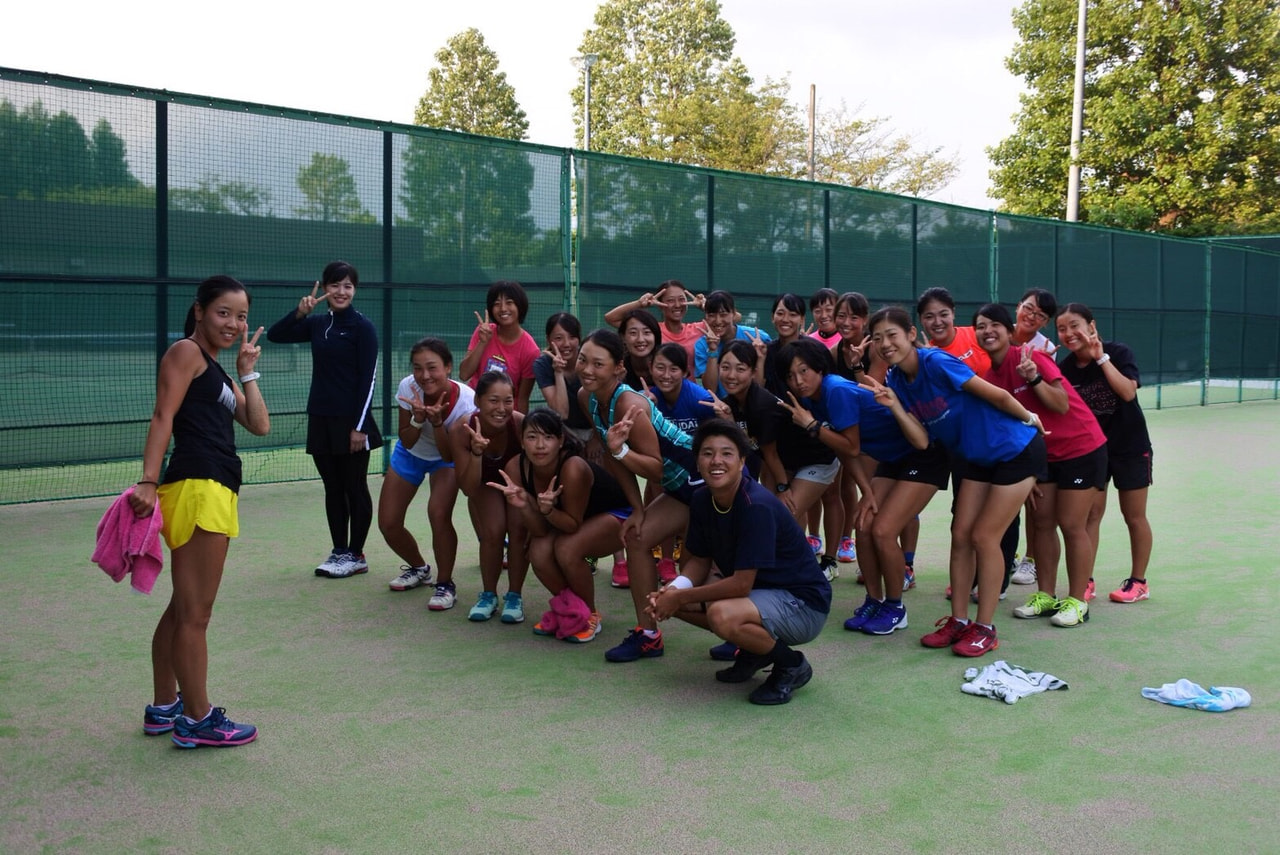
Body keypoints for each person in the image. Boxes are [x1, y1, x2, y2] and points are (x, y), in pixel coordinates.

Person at [133, 275, 270, 748]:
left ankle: (163, 707)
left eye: (241, 315)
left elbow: (259, 425)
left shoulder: (215, 372)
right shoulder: (186, 353)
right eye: (223, 313)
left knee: (181, 609)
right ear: (199, 311)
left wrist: (247, 372)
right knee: (196, 615)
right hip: (198, 487)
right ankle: (196, 718)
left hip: (214, 488)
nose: (233, 323)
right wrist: (149, 481)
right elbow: (162, 416)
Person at [872, 307, 1047, 657]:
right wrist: (893, 406)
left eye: (892, 334)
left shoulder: (935, 362)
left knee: (985, 537)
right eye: (878, 338)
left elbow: (993, 394)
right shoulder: (894, 381)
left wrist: (1031, 418)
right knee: (961, 534)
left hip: (1014, 448)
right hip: (973, 457)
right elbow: (921, 441)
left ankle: (986, 628)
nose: (885, 343)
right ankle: (960, 622)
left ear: (910, 334)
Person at [645, 420, 831, 706]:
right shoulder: (702, 499)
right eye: (707, 453)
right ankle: (756, 649)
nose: (716, 460)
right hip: (761, 595)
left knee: (722, 614)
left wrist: (681, 597)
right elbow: (700, 562)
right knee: (671, 602)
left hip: (804, 605)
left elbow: (741, 583)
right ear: (697, 460)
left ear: (743, 461)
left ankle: (792, 664)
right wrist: (672, 592)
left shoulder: (755, 505)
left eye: (727, 453)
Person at [974, 304, 1107, 628]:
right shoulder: (990, 378)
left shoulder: (1033, 359)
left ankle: (1077, 601)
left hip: (1081, 447)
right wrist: (1025, 470)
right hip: (1041, 457)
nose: (987, 331)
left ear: (1009, 332)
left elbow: (1060, 404)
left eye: (994, 325)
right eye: (980, 326)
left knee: (1071, 523)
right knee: (1042, 523)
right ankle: (1045, 595)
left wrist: (1032, 379)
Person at [577, 328, 702, 663]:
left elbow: (656, 469)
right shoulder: (586, 397)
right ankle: (648, 636)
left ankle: (748, 637)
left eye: (598, 364)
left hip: (705, 483)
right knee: (637, 537)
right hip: (680, 488)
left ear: (619, 368)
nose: (587, 369)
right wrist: (636, 509)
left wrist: (619, 453)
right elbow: (612, 451)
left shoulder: (631, 404)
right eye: (583, 359)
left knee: (719, 566)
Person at [267, 261, 381, 579]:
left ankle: (356, 554)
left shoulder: (363, 327)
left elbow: (368, 380)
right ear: (325, 289)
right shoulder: (317, 323)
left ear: (354, 290)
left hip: (352, 423)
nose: (341, 291)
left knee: (354, 487)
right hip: (321, 419)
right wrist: (299, 312)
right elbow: (276, 335)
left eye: (347, 285)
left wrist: (359, 427)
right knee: (332, 488)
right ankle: (339, 551)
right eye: (335, 285)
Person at [487, 409, 631, 645]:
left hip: (619, 517)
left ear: (561, 440)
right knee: (538, 551)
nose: (540, 445)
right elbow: (541, 531)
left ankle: (589, 615)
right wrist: (525, 506)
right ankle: (572, 609)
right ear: (522, 442)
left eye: (548, 437)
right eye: (532, 437)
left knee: (566, 548)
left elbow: (572, 524)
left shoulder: (573, 467)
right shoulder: (516, 467)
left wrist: (547, 511)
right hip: (572, 522)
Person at [1056, 303, 1154, 604]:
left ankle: (1138, 582)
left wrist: (1101, 358)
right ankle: (1085, 581)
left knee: (1133, 516)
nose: (1069, 333)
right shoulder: (1065, 368)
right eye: (1062, 328)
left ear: (1091, 326)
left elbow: (1127, 392)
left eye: (1075, 325)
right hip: (1092, 453)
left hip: (1130, 448)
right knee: (1089, 517)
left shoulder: (1118, 353)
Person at [378, 337, 477, 610]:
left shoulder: (467, 403)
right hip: (410, 454)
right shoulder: (408, 388)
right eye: (418, 368)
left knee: (438, 514)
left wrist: (437, 422)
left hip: (447, 459)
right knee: (388, 523)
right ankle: (419, 568)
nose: (424, 375)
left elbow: (448, 455)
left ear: (448, 367)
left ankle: (445, 584)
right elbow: (407, 440)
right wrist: (418, 419)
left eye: (432, 367)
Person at [774, 337, 880, 582]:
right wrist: (866, 490)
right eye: (790, 376)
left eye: (804, 371)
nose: (798, 381)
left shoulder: (835, 389)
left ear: (819, 368)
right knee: (868, 525)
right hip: (879, 452)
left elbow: (851, 447)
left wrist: (811, 425)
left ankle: (895, 594)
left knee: (880, 528)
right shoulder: (814, 398)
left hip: (904, 449)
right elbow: (844, 450)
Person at [762, 293, 837, 559]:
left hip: (816, 450)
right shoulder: (764, 352)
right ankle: (790, 565)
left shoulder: (816, 353)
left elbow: (831, 391)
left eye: (793, 314)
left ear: (802, 319)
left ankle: (825, 561)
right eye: (780, 313)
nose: (786, 319)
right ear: (772, 317)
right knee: (771, 514)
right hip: (777, 451)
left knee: (789, 511)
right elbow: (758, 397)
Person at [450, 371, 528, 622]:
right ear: (478, 402)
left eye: (508, 400)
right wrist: (475, 454)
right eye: (494, 400)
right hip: (483, 481)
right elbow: (468, 489)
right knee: (493, 532)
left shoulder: (520, 423)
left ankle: (514, 596)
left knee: (518, 531)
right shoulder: (462, 430)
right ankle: (488, 595)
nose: (501, 408)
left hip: (516, 482)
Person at [1008, 287, 1059, 586]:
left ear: (1045, 323)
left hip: (1030, 429)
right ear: (1018, 306)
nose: (1031, 316)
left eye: (1040, 315)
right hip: (999, 425)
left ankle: (1031, 559)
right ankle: (1007, 554)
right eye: (1028, 308)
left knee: (1032, 498)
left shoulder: (1046, 348)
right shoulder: (998, 333)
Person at [459, 280, 541, 414]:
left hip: (503, 414)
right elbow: (464, 374)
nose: (503, 309)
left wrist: (520, 430)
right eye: (497, 304)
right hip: (473, 407)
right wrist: (483, 342)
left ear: (520, 306)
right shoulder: (483, 332)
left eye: (509, 303)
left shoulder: (531, 350)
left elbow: (522, 398)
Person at [604, 280, 707, 366]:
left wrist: (706, 307)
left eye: (681, 300)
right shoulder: (650, 330)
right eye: (670, 300)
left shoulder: (699, 329)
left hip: (689, 389)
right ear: (660, 304)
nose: (677, 305)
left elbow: (721, 325)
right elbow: (611, 318)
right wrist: (640, 304)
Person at [694, 289, 771, 394]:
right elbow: (711, 389)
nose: (718, 321)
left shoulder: (758, 338)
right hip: (720, 407)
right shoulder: (702, 345)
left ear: (734, 314)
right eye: (711, 315)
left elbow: (760, 389)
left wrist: (760, 358)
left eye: (723, 314)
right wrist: (712, 351)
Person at [917, 286, 991, 374]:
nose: (937, 322)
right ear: (921, 319)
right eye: (929, 317)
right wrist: (926, 361)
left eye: (944, 315)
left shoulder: (976, 334)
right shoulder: (925, 357)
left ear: (953, 313)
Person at [618, 308, 662, 392]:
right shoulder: (618, 367)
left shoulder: (668, 362)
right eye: (633, 333)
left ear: (655, 336)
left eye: (647, 332)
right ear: (623, 337)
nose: (640, 339)